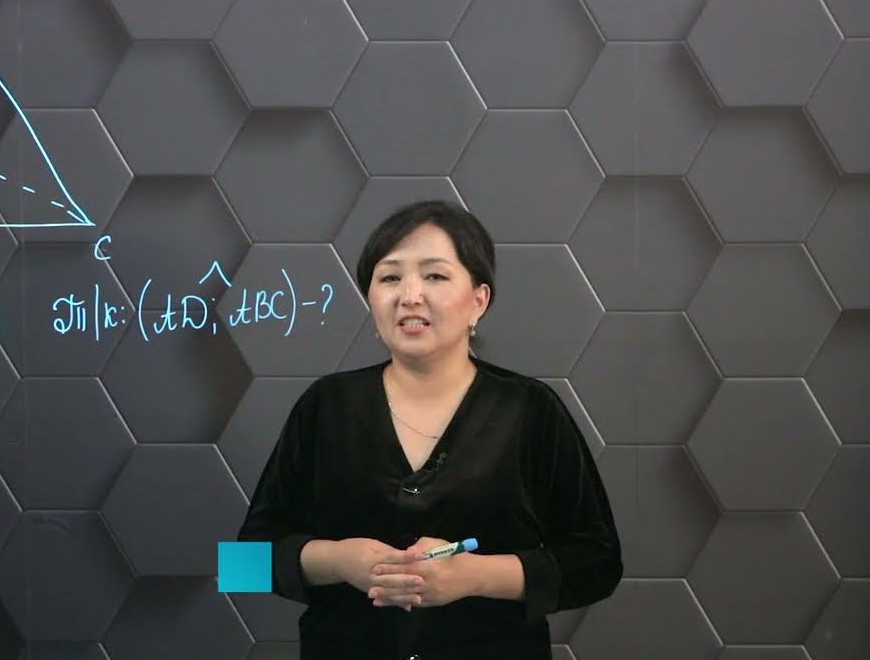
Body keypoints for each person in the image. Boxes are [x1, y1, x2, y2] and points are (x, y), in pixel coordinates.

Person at [236, 200, 622, 659]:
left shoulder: (530, 410)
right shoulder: (325, 406)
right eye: (390, 278)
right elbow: (242, 564)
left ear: (479, 300)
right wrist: (337, 561)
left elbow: (598, 563)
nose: (410, 295)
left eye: (435, 276)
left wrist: (475, 576)